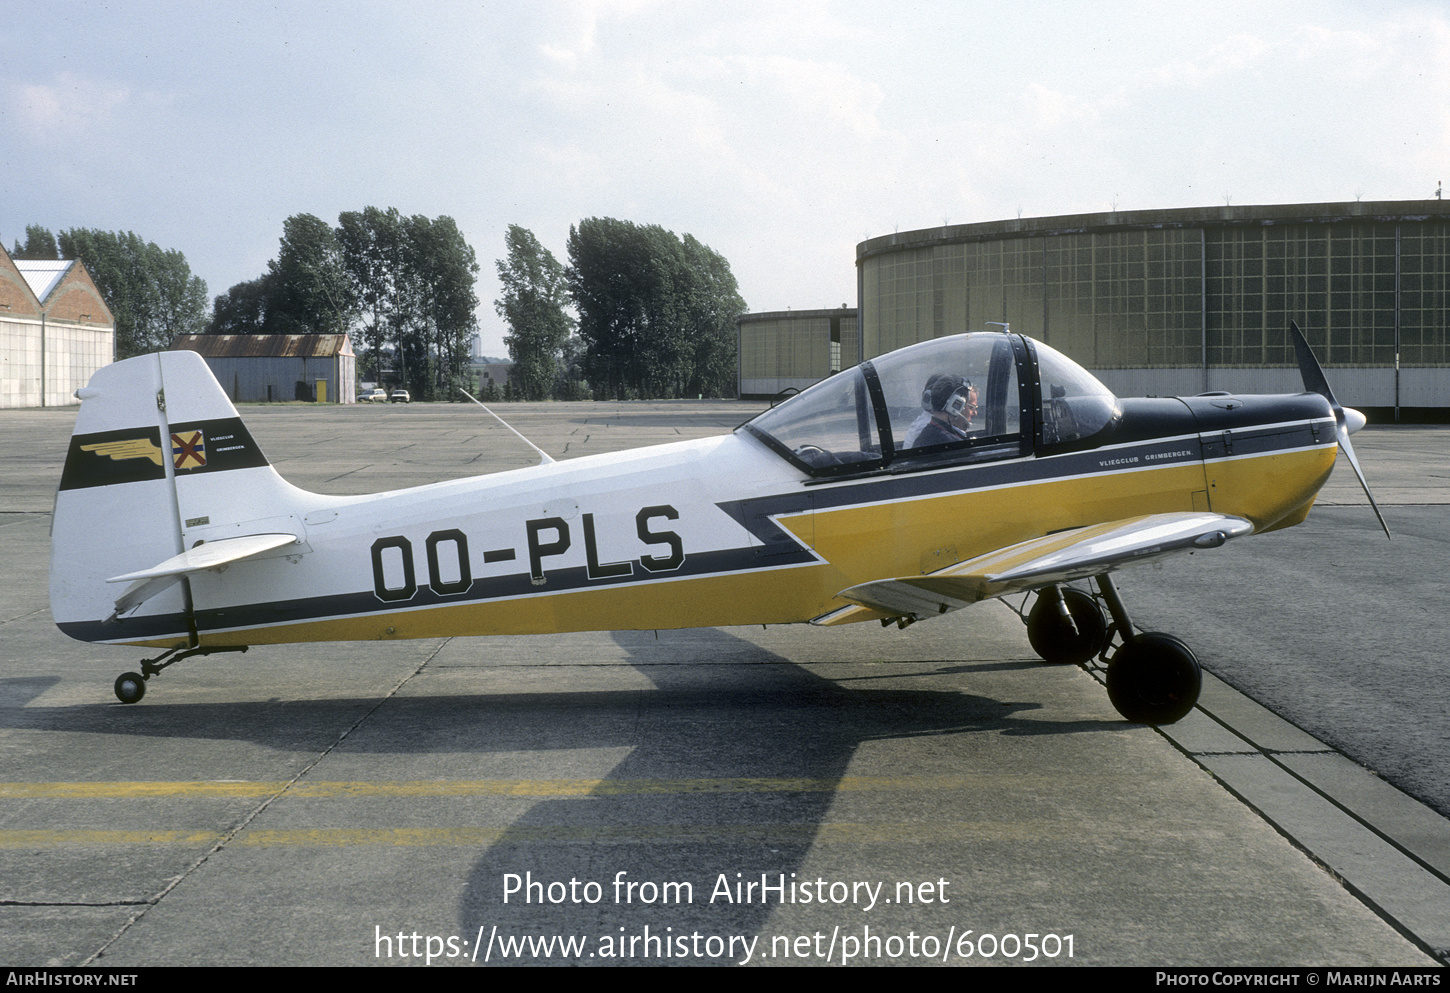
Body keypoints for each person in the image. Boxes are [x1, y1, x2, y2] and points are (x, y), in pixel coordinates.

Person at [904, 374, 978, 448]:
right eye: (971, 408)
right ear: (955, 407)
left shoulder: (928, 433)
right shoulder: (953, 445)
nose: (975, 413)